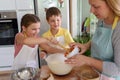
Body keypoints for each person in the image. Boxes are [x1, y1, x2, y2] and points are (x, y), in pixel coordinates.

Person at [65, 0, 120, 80]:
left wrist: (88, 60)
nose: (91, 11)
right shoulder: (102, 20)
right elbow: (100, 38)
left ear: (111, 4)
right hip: (93, 74)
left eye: (96, 6)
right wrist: (86, 45)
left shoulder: (118, 28)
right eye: (90, 5)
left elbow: (118, 70)